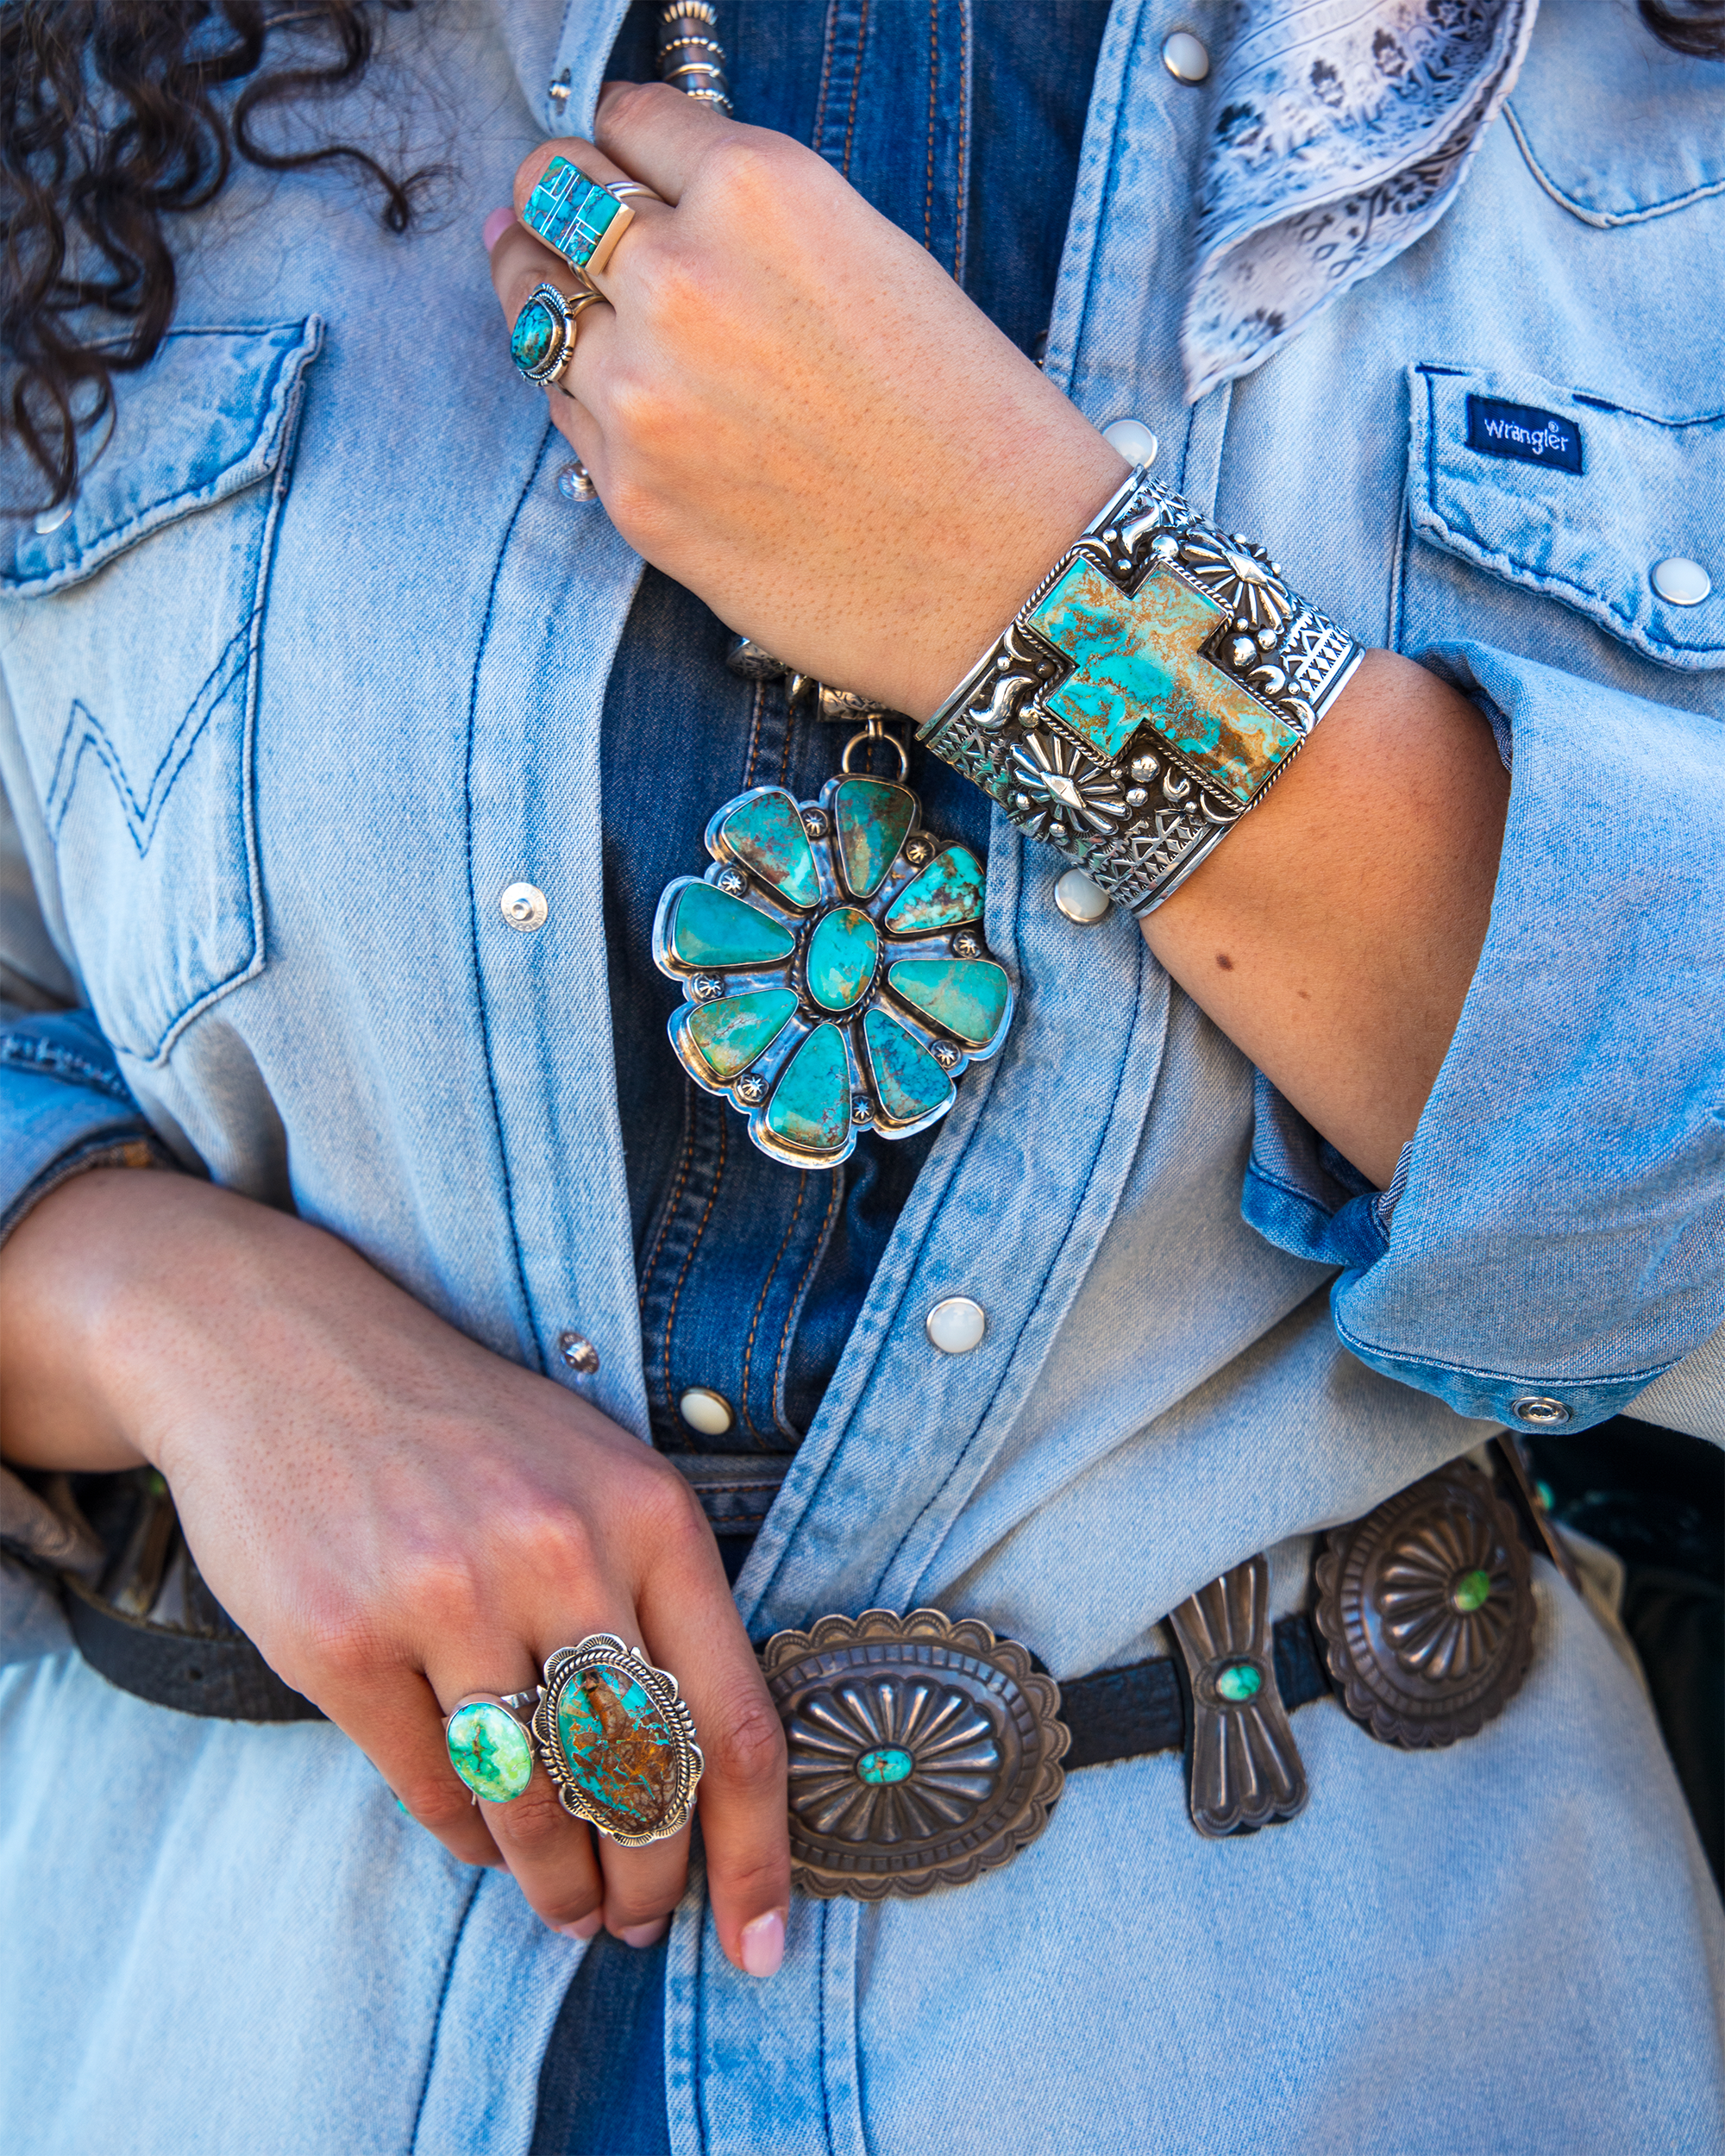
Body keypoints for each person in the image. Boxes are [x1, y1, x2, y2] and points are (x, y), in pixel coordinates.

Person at [1, 0, 1722, 2147]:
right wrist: (152, 1308)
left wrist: (1046, 602)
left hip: (1344, 2041)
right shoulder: (106, 59)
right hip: (198, 2035)